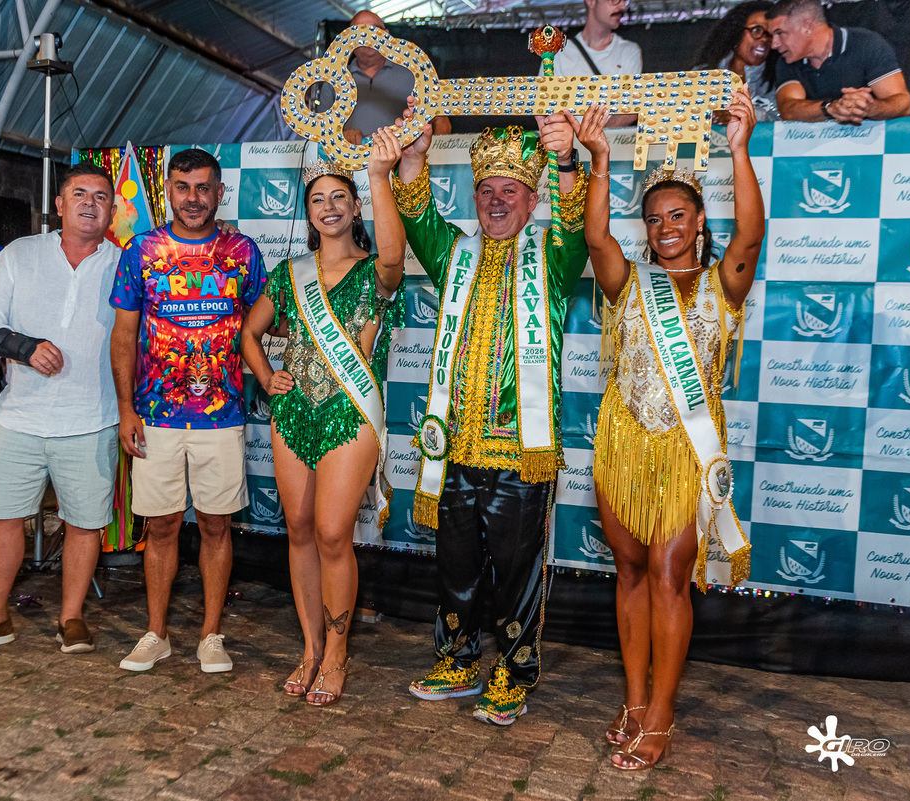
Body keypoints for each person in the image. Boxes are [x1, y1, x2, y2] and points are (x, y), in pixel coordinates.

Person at [568, 89, 762, 769]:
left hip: (685, 450)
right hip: (622, 443)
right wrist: (599, 160)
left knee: (669, 574)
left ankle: (662, 713)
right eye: (654, 219)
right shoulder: (627, 283)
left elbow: (750, 237)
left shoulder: (723, 284)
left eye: (678, 215)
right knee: (628, 572)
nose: (665, 227)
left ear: (699, 218)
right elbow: (596, 238)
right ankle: (633, 699)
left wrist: (739, 149)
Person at [390, 113, 587, 726]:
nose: (496, 200)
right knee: (455, 566)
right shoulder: (454, 253)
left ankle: (514, 672)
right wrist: (413, 156)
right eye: (486, 189)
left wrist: (569, 162)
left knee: (517, 574)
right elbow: (417, 213)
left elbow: (578, 225)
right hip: (453, 447)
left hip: (520, 453)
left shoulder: (553, 257)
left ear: (532, 198)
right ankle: (456, 659)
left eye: (510, 190)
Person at [240, 135, 406, 705]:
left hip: (349, 411)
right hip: (292, 412)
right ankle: (311, 648)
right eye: (317, 199)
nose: (328, 206)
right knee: (300, 529)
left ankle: (337, 653)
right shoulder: (290, 273)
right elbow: (249, 333)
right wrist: (267, 377)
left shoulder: (376, 272)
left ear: (356, 207)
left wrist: (379, 176)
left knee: (334, 533)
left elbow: (394, 256)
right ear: (307, 212)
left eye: (339, 197)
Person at [0, 162, 121, 655]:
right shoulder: (21, 253)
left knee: (84, 523)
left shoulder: (126, 265)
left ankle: (72, 617)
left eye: (100, 196)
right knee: (1, 518)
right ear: (58, 205)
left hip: (92, 419)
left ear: (112, 209)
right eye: (79, 194)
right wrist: (22, 346)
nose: (89, 203)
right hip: (18, 418)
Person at [111, 148, 266, 675]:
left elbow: (263, 322)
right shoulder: (141, 250)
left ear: (220, 192)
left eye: (203, 188)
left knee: (217, 527)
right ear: (168, 191)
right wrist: (126, 409)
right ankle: (156, 634)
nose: (193, 198)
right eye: (182, 187)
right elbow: (124, 335)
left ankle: (210, 636)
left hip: (222, 416)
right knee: (161, 527)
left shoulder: (242, 251)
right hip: (155, 417)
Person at [306, 11, 451, 144]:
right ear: (349, 39)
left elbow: (441, 121)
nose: (369, 37)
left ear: (386, 34)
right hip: (351, 161)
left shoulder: (413, 75)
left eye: (375, 29)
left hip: (404, 162)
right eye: (360, 31)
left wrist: (431, 155)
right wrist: (342, 136)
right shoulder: (333, 81)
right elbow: (320, 131)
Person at [768, 0, 910, 123]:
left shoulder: (865, 44)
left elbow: (903, 104)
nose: (774, 44)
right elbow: (788, 110)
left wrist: (868, 108)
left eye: (780, 33)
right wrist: (831, 108)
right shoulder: (787, 60)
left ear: (806, 27)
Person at [553, 0, 642, 127]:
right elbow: (549, 110)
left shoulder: (629, 51)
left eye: (625, 1)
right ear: (591, 1)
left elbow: (629, 111)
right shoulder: (559, 54)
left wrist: (593, 138)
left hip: (609, 140)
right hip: (571, 140)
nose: (623, 6)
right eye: (616, 0)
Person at [695, 1, 779, 121]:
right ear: (736, 33)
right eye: (757, 30)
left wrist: (746, 114)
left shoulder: (777, 80)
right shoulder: (703, 75)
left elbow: (785, 122)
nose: (764, 39)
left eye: (770, 34)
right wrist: (711, 115)